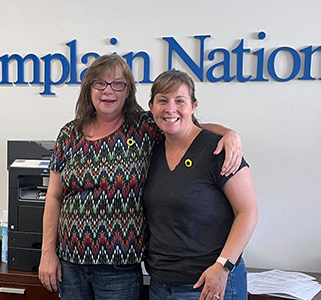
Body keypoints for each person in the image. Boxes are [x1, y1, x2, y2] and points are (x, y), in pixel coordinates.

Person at [38, 55, 243, 300]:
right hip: (70, 263)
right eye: (99, 83)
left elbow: (189, 127)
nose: (108, 91)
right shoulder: (69, 133)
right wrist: (47, 252)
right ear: (88, 88)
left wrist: (230, 134)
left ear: (128, 91)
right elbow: (53, 195)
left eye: (118, 84)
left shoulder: (143, 126)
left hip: (119, 266)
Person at [143, 69, 258, 300]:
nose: (170, 109)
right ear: (151, 106)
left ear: (194, 106)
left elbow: (247, 212)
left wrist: (223, 266)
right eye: (162, 101)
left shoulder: (219, 150)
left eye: (180, 101)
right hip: (160, 284)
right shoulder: (152, 149)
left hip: (209, 283)